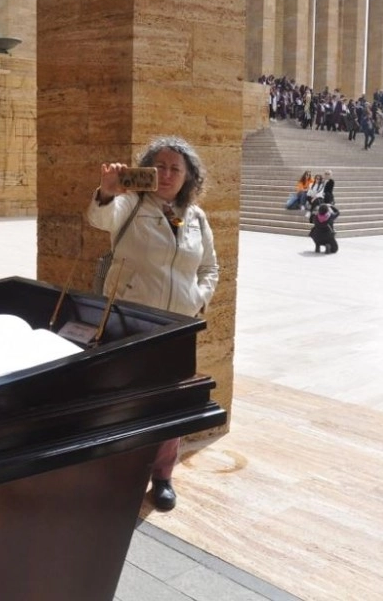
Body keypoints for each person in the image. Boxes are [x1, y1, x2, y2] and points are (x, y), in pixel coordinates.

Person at [86, 136, 219, 512]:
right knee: (127, 400)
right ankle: (119, 473)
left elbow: (210, 266)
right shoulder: (129, 204)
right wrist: (107, 191)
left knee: (171, 404)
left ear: (188, 176)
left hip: (178, 324)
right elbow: (99, 217)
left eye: (176, 168)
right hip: (132, 320)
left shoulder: (195, 216)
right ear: (145, 169)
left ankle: (162, 475)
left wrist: (199, 298)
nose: (167, 174)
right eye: (159, 166)